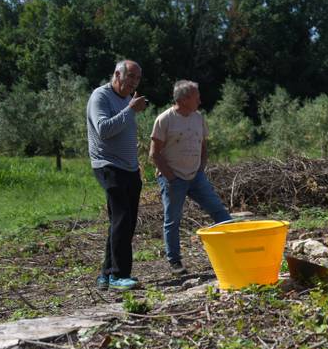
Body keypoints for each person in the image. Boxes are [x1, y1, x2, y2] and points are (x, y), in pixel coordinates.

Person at [150, 80, 231, 274]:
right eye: (196, 97)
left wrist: (200, 168)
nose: (200, 100)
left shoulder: (198, 118)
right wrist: (171, 177)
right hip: (173, 178)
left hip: (196, 177)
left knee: (219, 212)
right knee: (173, 220)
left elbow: (203, 146)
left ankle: (231, 251)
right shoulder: (165, 119)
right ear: (184, 99)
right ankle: (175, 261)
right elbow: (154, 153)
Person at [87, 60, 147, 290]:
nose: (133, 82)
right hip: (108, 165)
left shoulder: (125, 100)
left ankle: (106, 273)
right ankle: (119, 275)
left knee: (124, 221)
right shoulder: (100, 97)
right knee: (122, 218)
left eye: (137, 78)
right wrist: (131, 109)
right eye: (130, 76)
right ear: (117, 74)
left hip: (130, 168)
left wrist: (129, 108)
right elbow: (103, 130)